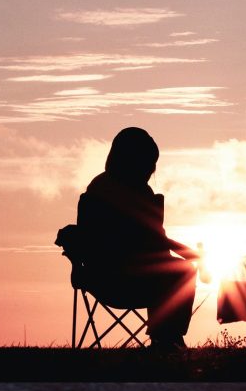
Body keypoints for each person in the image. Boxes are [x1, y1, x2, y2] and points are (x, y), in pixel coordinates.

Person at [75, 127, 198, 350]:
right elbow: (153, 239)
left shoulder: (101, 187)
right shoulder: (116, 192)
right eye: (149, 162)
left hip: (102, 277)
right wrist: (193, 255)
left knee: (176, 271)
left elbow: (156, 241)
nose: (151, 170)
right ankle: (167, 338)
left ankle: (166, 337)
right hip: (120, 278)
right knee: (184, 272)